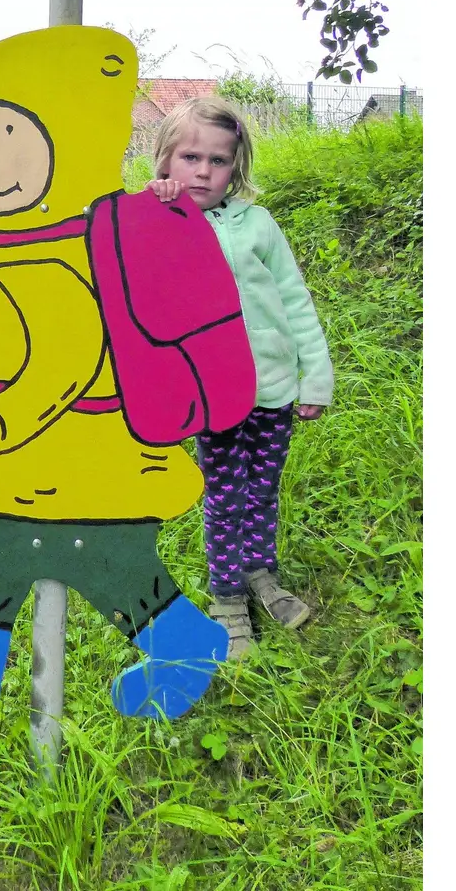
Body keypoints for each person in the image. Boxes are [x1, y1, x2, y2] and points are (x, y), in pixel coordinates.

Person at [146, 96, 335, 659]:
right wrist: (158, 209)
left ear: (237, 166)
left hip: (273, 389)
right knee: (225, 496)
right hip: (214, 397)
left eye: (219, 161)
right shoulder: (160, 223)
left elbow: (295, 301)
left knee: (262, 492)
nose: (204, 171)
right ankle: (227, 598)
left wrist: (315, 376)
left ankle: (260, 574)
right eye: (190, 157)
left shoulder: (258, 224)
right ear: (164, 162)